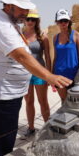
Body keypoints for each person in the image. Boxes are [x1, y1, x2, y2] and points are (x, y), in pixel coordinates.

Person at [0, 0, 72, 156]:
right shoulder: (2, 26)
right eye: (24, 9)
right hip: (2, 95)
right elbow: (22, 56)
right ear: (10, 6)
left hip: (10, 92)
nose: (26, 14)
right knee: (4, 142)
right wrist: (50, 76)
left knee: (8, 135)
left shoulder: (11, 22)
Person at [22, 9, 51, 137]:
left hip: (39, 72)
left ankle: (47, 128)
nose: (30, 21)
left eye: (33, 19)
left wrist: (49, 75)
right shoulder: (20, 35)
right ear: (24, 20)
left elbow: (48, 57)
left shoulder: (42, 37)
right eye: (28, 19)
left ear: (37, 21)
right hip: (24, 73)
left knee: (43, 101)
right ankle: (31, 128)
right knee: (28, 101)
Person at [53, 9, 79, 102]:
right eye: (61, 21)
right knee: (63, 100)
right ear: (57, 22)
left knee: (73, 102)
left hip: (73, 75)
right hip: (59, 75)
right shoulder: (55, 37)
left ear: (69, 21)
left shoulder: (77, 35)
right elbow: (55, 57)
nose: (63, 23)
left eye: (65, 20)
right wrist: (52, 74)